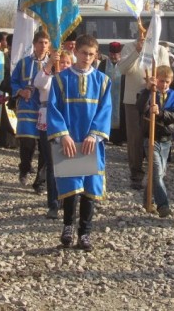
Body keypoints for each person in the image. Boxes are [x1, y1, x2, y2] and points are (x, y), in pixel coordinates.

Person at [47, 34, 112, 251]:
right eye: (84, 53)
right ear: (75, 52)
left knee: (89, 190)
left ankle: (85, 233)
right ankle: (67, 227)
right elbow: (53, 109)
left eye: (92, 54)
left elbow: (105, 111)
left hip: (90, 143)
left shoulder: (103, 81)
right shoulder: (60, 79)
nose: (87, 58)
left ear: (96, 56)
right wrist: (63, 135)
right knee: (70, 187)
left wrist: (94, 135)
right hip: (69, 141)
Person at [117, 33, 170, 190]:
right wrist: (137, 52)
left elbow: (166, 72)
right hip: (133, 101)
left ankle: (157, 173)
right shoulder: (129, 47)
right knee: (135, 139)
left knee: (156, 137)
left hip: (154, 100)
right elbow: (122, 69)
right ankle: (136, 174)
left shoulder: (161, 50)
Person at [136, 65, 174, 218]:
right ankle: (163, 205)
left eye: (167, 82)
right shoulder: (148, 94)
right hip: (150, 139)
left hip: (166, 140)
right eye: (161, 81)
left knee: (158, 174)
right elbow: (139, 107)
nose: (164, 85)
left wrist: (160, 113)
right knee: (156, 171)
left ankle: (146, 200)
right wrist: (148, 90)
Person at [33, 50, 73, 219]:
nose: (64, 65)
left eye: (67, 63)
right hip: (48, 122)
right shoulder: (48, 78)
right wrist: (49, 64)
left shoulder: (72, 80)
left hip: (67, 123)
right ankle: (53, 204)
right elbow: (38, 82)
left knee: (67, 163)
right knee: (52, 164)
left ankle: (67, 199)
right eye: (61, 62)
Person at [11, 30, 50, 192]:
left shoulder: (53, 63)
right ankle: (24, 168)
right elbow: (13, 81)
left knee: (44, 145)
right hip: (27, 107)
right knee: (27, 142)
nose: (43, 46)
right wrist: (20, 91)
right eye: (40, 42)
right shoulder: (23, 63)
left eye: (46, 43)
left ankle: (40, 181)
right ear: (34, 44)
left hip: (45, 108)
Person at [98, 42, 125, 145]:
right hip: (106, 95)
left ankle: (119, 138)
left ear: (120, 54)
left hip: (120, 95)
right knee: (107, 114)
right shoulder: (103, 64)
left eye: (116, 54)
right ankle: (106, 136)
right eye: (112, 54)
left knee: (120, 115)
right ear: (109, 53)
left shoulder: (123, 64)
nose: (114, 56)